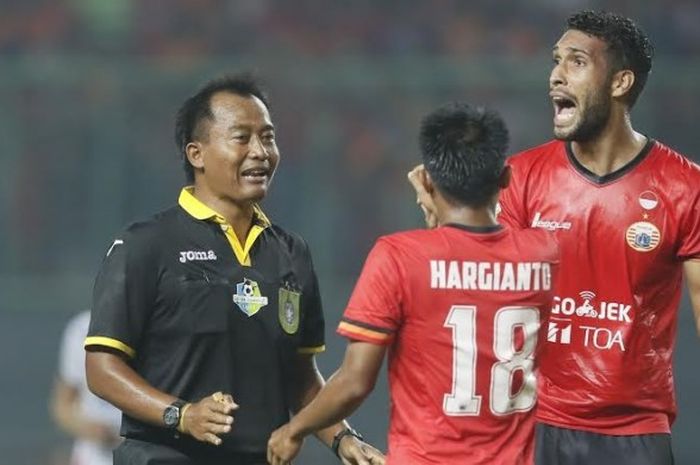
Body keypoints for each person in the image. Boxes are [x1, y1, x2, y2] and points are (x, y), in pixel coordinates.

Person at [411, 10, 700, 465]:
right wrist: (441, 228)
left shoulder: (685, 187)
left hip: (636, 434)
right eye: (555, 60)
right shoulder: (521, 178)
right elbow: (478, 298)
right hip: (535, 424)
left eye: (576, 62)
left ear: (620, 83)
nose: (555, 76)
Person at [84, 73, 384, 465]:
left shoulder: (291, 252)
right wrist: (182, 414)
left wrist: (343, 439)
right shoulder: (145, 245)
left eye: (269, 137)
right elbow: (102, 368)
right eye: (242, 137)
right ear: (197, 154)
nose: (261, 151)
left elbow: (301, 378)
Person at [267, 102, 560, 465]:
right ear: (504, 178)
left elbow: (355, 383)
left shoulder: (398, 256)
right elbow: (482, 257)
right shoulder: (544, 254)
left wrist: (292, 430)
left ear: (426, 179)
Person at [51, 310, 122, 465]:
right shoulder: (81, 328)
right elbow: (63, 407)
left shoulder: (159, 326)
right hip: (93, 458)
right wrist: (94, 430)